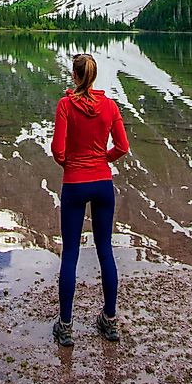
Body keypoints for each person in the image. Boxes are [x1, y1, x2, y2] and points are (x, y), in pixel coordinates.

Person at [49, 52, 130, 346]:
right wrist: (102, 161)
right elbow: (122, 145)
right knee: (105, 249)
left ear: (75, 75)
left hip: (75, 183)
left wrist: (72, 165)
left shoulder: (65, 106)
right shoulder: (109, 106)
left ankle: (66, 326)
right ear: (93, 76)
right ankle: (109, 322)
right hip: (103, 183)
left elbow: (58, 150)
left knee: (70, 253)